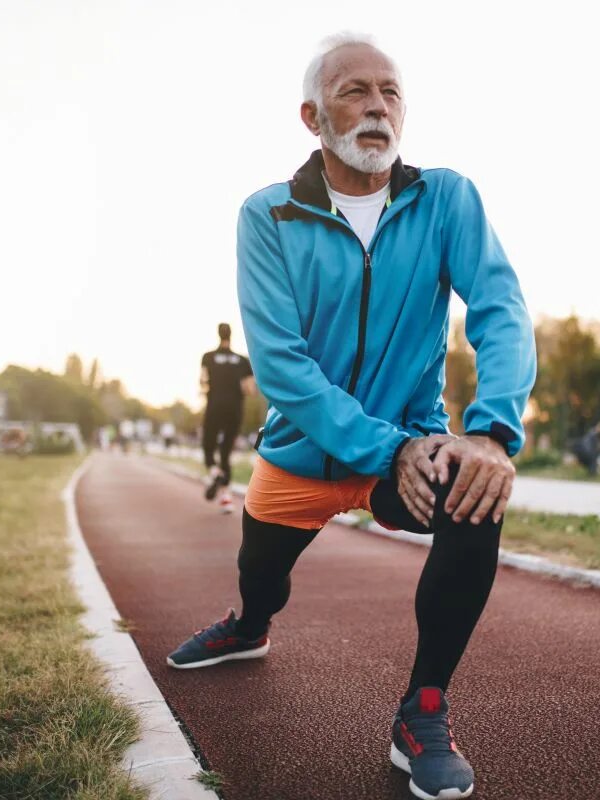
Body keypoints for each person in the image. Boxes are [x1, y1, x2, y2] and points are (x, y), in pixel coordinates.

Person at [167, 34, 536, 800]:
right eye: (354, 91)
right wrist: (387, 447)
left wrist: (492, 431)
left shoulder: (446, 200)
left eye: (390, 92)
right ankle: (250, 624)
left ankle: (423, 709)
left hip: (410, 441)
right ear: (312, 116)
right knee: (261, 577)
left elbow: (500, 310)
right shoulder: (267, 215)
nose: (377, 107)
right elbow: (284, 369)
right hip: (300, 456)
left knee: (475, 491)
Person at [201, 323, 255, 513]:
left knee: (209, 447)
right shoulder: (242, 360)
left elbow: (202, 381)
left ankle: (215, 473)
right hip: (234, 409)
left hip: (214, 406)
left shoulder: (208, 357)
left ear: (218, 334)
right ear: (231, 336)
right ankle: (226, 499)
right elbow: (250, 389)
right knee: (225, 453)